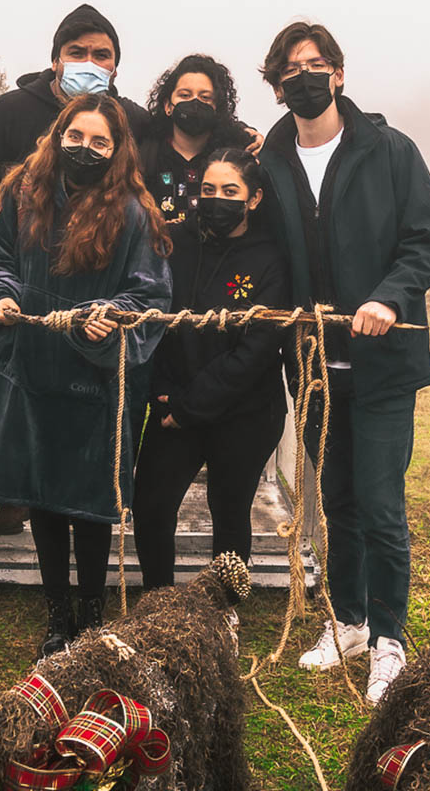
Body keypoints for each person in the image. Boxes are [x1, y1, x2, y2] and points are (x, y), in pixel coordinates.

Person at [256, 22, 430, 705]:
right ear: (277, 85)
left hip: (382, 365)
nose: (303, 77)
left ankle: (390, 639)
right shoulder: (270, 160)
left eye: (316, 65)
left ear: (338, 74)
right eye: (290, 69)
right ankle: (348, 621)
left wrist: (389, 298)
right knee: (333, 502)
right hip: (311, 368)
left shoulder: (389, 151)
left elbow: (429, 242)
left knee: (378, 503)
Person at [0, 94, 172, 657]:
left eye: (100, 142)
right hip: (26, 373)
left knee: (90, 505)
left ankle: (92, 616)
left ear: (117, 151)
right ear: (58, 135)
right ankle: (57, 618)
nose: (85, 149)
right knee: (42, 497)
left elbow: (149, 293)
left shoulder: (133, 214)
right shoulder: (21, 196)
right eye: (76, 136)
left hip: (93, 384)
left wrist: (112, 317)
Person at [0, 4, 147, 331]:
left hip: (96, 300)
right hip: (12, 295)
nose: (89, 63)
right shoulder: (8, 113)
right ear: (55, 61)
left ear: (115, 67)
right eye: (76, 52)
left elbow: (185, 132)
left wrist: (243, 137)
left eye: (101, 55)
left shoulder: (131, 121)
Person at [132, 149, 288, 588]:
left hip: (245, 411)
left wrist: (190, 404)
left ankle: (224, 608)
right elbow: (155, 316)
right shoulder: (174, 243)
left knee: (230, 508)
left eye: (229, 191)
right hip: (172, 403)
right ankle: (158, 601)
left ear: (253, 199)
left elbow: (257, 349)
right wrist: (162, 390)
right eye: (207, 190)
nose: (217, 199)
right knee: (152, 506)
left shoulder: (272, 257)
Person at [140, 55, 254, 226]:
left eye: (205, 97)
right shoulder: (147, 154)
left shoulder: (233, 156)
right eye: (185, 95)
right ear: (168, 106)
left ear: (218, 107)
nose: (194, 103)